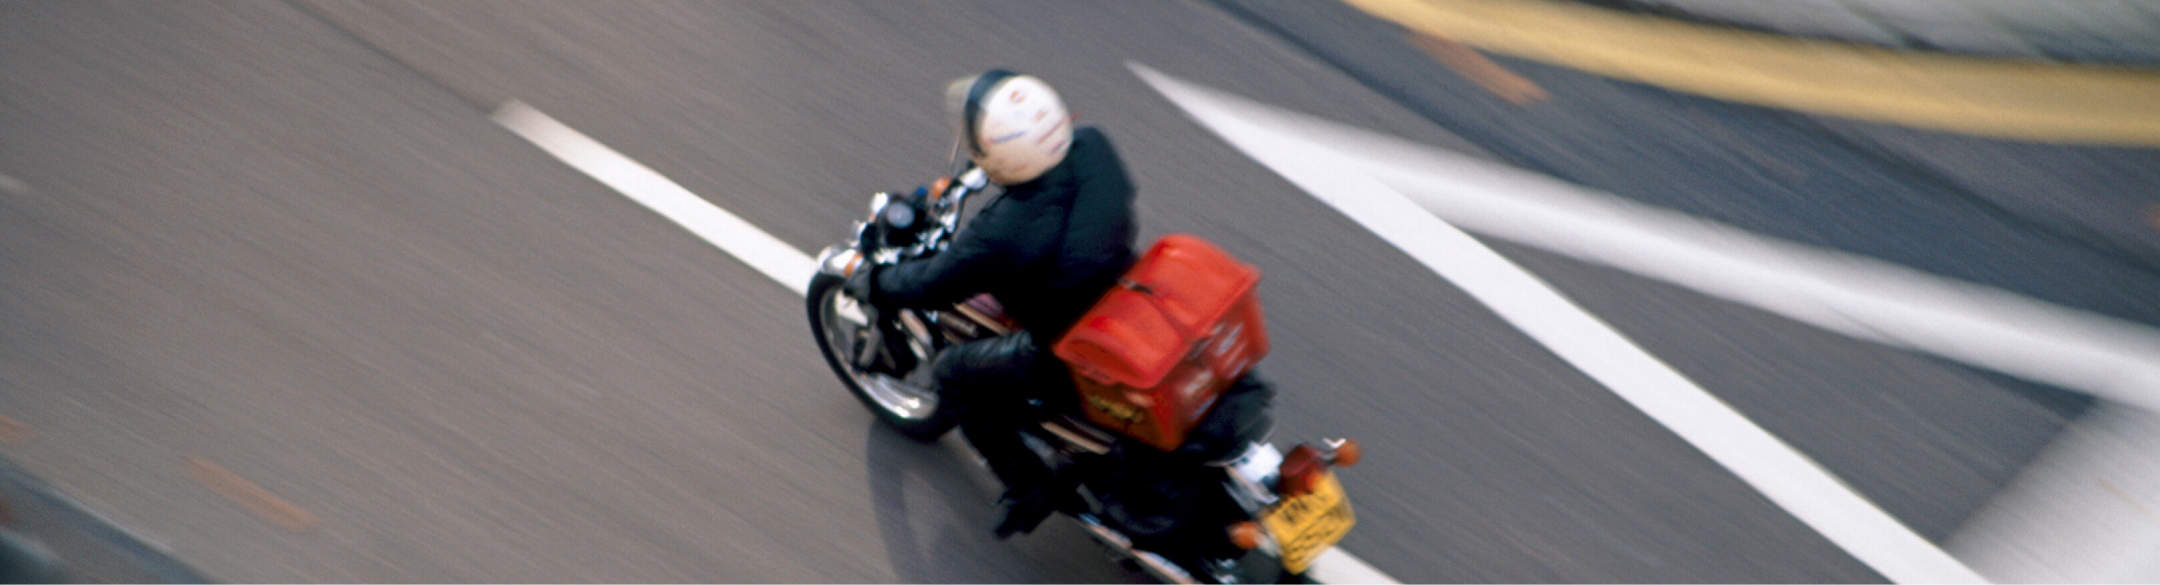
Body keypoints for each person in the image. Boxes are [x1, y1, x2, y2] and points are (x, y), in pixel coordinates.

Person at [844, 69, 1137, 538]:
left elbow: (934, 284)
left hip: (1060, 343)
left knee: (954, 377)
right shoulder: (1094, 146)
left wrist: (877, 283)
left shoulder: (1001, 235)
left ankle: (1028, 486)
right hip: (1123, 290)